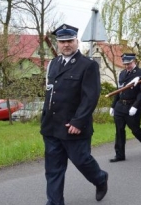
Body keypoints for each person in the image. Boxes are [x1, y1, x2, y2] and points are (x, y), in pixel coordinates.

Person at [41, 24, 108, 204]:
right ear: (57, 44)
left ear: (76, 41)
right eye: (62, 42)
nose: (66, 45)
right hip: (51, 127)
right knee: (53, 169)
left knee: (82, 162)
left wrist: (78, 122)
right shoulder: (53, 64)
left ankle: (100, 179)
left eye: (70, 41)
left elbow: (90, 97)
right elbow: (50, 93)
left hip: (74, 127)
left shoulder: (88, 66)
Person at [109, 53, 141, 162]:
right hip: (120, 106)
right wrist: (113, 106)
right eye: (125, 64)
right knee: (119, 130)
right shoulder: (122, 74)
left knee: (135, 130)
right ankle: (119, 155)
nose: (127, 66)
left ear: (134, 61)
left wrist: (135, 106)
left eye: (129, 63)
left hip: (132, 106)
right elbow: (119, 91)